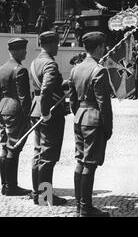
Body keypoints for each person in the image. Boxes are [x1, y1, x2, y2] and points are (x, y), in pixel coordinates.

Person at [69, 32, 112, 217]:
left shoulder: (75, 69)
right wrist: (108, 127)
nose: (105, 49)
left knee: (80, 161)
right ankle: (86, 208)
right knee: (90, 163)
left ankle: (79, 205)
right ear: (99, 47)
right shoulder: (99, 70)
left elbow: (72, 101)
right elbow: (104, 103)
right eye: (103, 46)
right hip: (93, 120)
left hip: (79, 118)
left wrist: (79, 113)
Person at [30, 31, 67, 206]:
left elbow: (45, 87)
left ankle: (37, 192)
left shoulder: (35, 61)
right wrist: (46, 112)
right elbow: (46, 89)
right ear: (50, 44)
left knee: (38, 152)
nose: (58, 46)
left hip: (35, 109)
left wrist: (64, 84)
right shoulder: (50, 64)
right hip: (49, 113)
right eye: (57, 43)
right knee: (48, 156)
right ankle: (45, 197)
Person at [0, 38, 32, 196]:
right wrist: (28, 117)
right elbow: (24, 97)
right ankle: (12, 186)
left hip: (3, 108)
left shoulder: (2, 68)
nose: (25, 52)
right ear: (17, 51)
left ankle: (5, 185)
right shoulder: (20, 69)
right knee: (14, 147)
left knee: (5, 146)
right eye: (23, 49)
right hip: (15, 110)